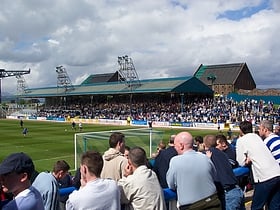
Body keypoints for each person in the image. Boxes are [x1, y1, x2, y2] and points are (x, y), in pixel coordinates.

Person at [166, 131, 221, 210]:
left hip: (192, 206)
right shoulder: (205, 157)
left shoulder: (175, 161)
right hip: (212, 201)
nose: (174, 148)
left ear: (181, 145)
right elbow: (214, 176)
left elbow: (171, 185)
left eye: (175, 145)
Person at [236, 120, 280, 210]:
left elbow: (241, 162)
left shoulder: (241, 140)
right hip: (277, 173)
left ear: (241, 130)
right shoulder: (257, 137)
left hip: (265, 177)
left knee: (256, 207)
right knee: (274, 205)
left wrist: (247, 160)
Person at [204, 135, 245, 210]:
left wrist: (207, 159)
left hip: (228, 193)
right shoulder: (223, 154)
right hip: (237, 190)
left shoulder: (207, 155)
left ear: (205, 144)